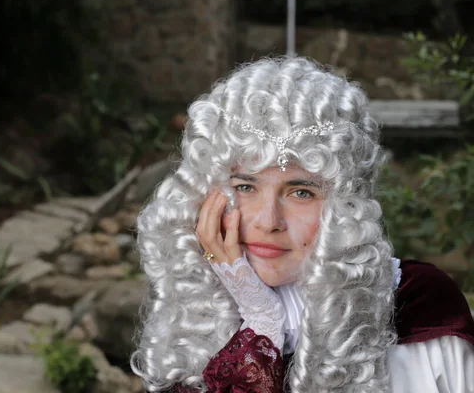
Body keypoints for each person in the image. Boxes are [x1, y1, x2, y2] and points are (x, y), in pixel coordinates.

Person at [130, 57, 474, 392]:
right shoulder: (192, 319)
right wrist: (262, 322)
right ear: (206, 196)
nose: (269, 222)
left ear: (345, 205)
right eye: (245, 187)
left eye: (301, 192)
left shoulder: (420, 305)